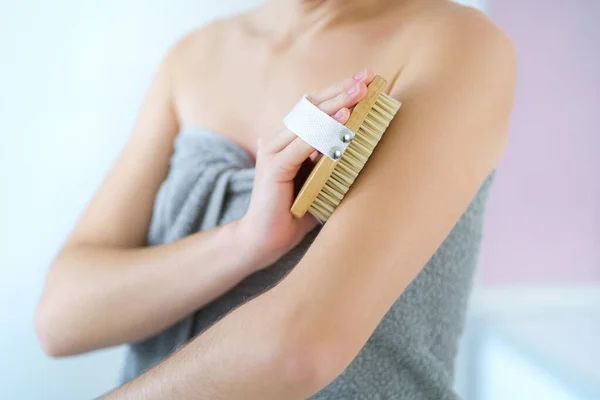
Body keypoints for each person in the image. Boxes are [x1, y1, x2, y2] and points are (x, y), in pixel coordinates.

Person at [35, 0, 516, 398]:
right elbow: (61, 318)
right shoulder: (192, 57)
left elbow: (301, 346)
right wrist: (244, 243)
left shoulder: (457, 45)